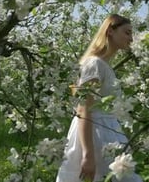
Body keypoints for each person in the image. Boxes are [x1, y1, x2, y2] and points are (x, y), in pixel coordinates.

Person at [56, 14, 143, 182]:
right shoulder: (94, 64)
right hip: (95, 135)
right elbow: (83, 109)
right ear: (110, 31)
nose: (131, 38)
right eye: (127, 32)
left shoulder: (104, 66)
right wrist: (88, 155)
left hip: (107, 133)